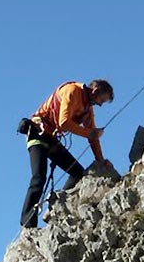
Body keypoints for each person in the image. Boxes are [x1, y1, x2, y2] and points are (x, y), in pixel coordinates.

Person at [20, 79, 114, 228]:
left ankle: (57, 204)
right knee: (38, 177)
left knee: (77, 173)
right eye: (101, 100)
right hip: (38, 133)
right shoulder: (72, 91)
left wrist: (100, 160)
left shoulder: (87, 109)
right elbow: (63, 122)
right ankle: (28, 223)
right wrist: (89, 133)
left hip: (51, 138)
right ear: (95, 91)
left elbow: (93, 138)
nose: (100, 104)